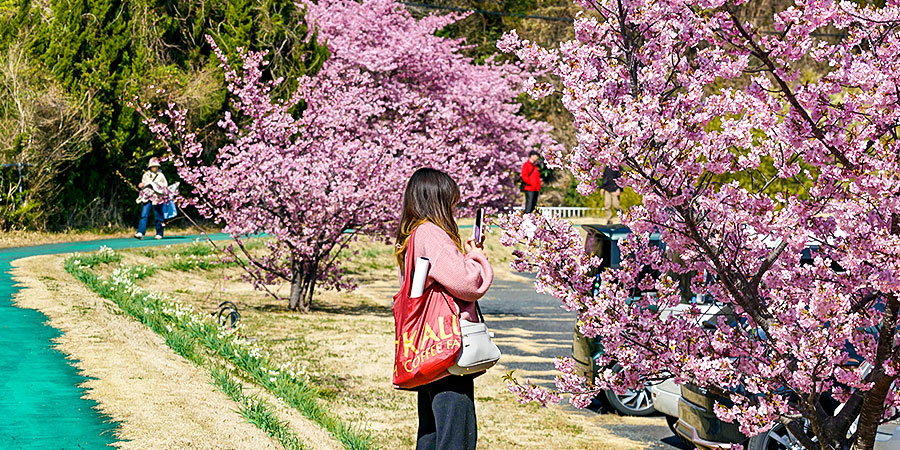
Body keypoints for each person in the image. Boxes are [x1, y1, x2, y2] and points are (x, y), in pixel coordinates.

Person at [394, 168, 493, 450]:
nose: (453, 208)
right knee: (455, 436)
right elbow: (468, 283)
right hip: (446, 352)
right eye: (451, 202)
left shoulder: (412, 235)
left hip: (427, 349)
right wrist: (477, 257)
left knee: (432, 433)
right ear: (437, 200)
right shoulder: (431, 233)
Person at [134, 158, 168, 240]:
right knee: (144, 215)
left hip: (157, 197)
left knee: (158, 216)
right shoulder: (146, 175)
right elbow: (144, 184)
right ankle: (140, 232)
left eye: (156, 166)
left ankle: (159, 233)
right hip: (147, 196)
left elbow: (165, 185)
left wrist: (156, 186)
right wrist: (142, 185)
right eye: (153, 166)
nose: (155, 168)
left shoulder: (161, 175)